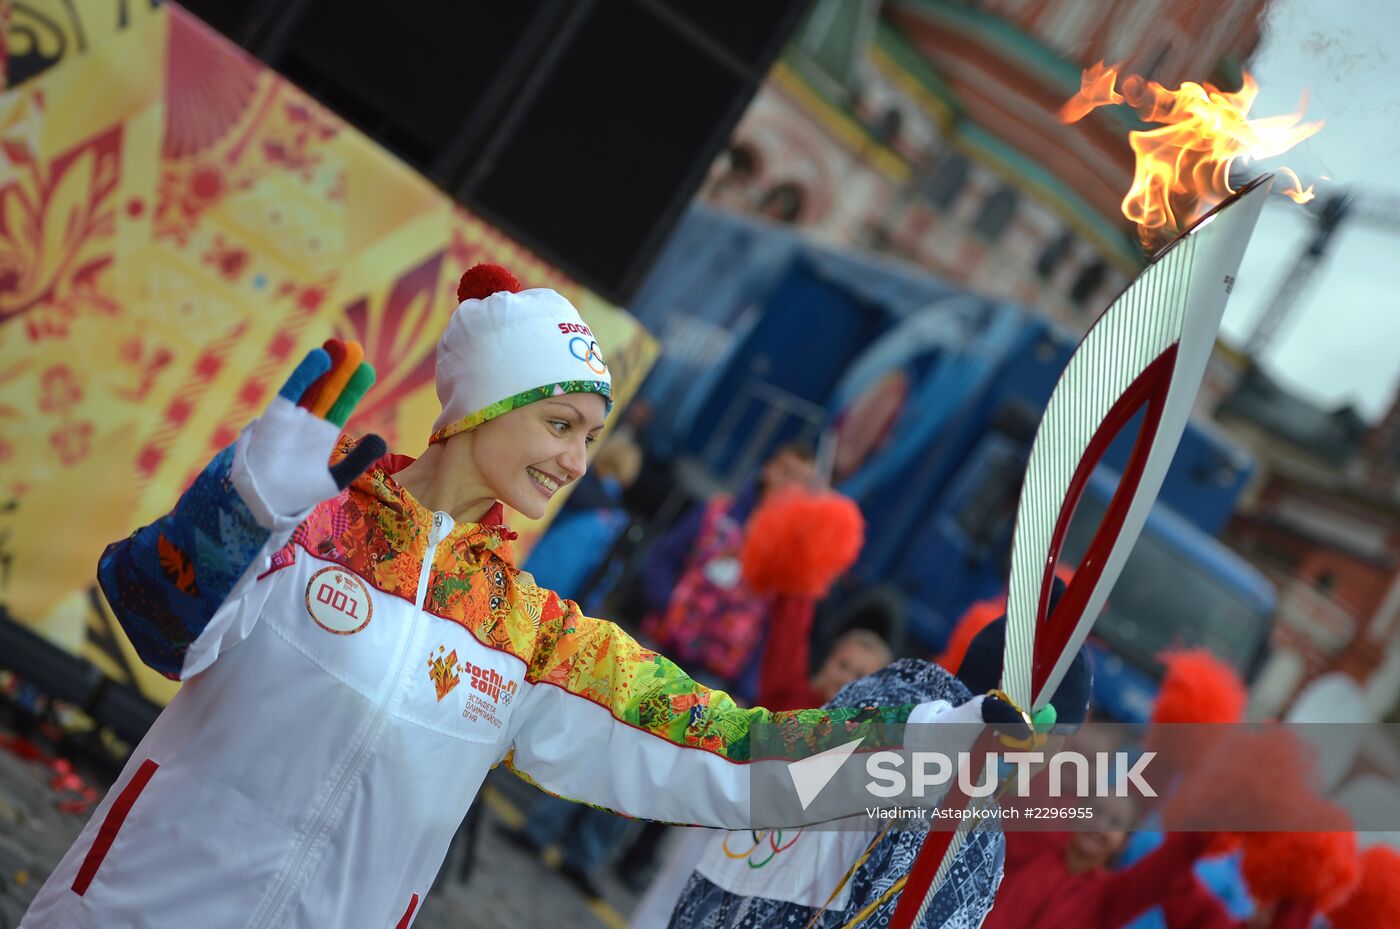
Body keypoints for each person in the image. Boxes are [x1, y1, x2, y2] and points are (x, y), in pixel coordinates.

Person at [21, 265, 1009, 929]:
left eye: (590, 434)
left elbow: (728, 748)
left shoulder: (522, 631)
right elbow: (151, 615)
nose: (576, 459)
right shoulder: (314, 513)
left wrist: (917, 751)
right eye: (558, 421)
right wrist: (239, 507)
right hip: (135, 907)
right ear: (484, 404)